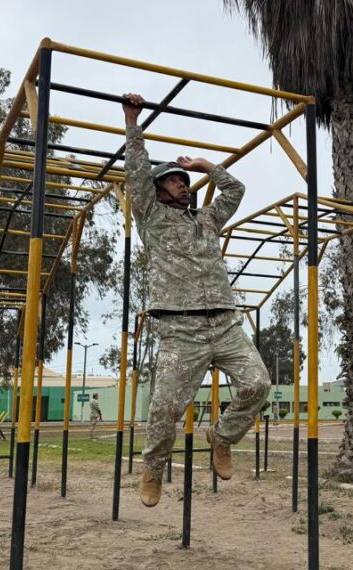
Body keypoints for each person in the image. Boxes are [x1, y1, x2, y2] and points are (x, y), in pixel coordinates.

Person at [122, 93, 270, 507]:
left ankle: (221, 437)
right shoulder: (150, 216)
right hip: (180, 329)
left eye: (184, 181)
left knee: (258, 383)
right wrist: (133, 123)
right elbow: (136, 173)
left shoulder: (206, 219)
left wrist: (207, 167)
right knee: (164, 408)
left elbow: (235, 190)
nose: (183, 185)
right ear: (158, 190)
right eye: (175, 181)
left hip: (224, 323)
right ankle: (153, 470)